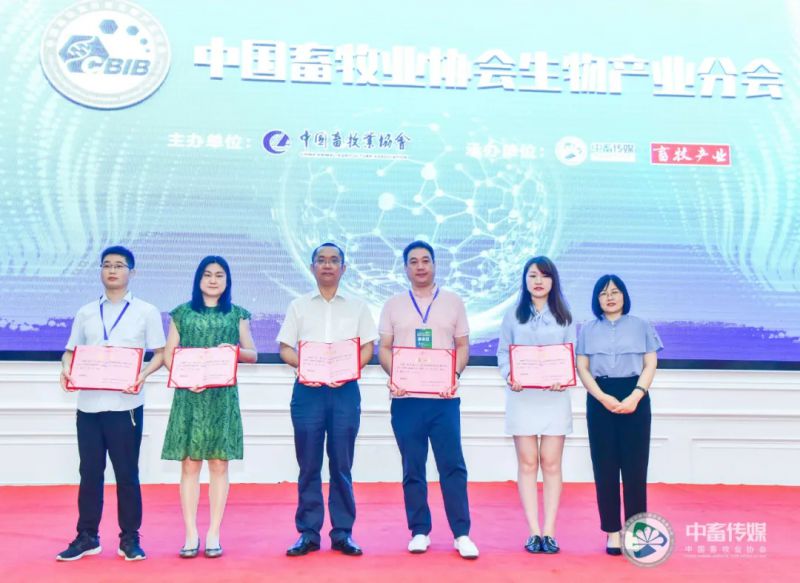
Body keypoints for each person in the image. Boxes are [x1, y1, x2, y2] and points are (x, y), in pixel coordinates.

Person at [57, 246, 166, 562]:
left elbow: (160, 354)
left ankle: (129, 538)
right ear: (101, 272)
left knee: (127, 474)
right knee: (89, 473)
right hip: (89, 406)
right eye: (107, 265)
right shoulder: (86, 312)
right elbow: (71, 352)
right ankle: (87, 537)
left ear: (133, 272)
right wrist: (65, 368)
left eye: (119, 265)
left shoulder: (146, 311)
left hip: (125, 405)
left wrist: (143, 375)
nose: (113, 270)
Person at [378, 240, 479, 560]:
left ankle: (461, 533)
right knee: (413, 466)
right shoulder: (393, 305)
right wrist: (397, 377)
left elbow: (463, 346)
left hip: (443, 398)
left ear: (435, 265)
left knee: (452, 465)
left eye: (425, 260)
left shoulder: (453, 302)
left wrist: (454, 375)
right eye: (413, 261)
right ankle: (419, 530)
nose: (420, 266)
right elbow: (384, 348)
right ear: (405, 268)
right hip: (406, 399)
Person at [277, 242, 377, 557]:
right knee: (308, 464)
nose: (328, 265)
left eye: (334, 260)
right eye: (321, 260)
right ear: (312, 267)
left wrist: (348, 370)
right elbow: (285, 348)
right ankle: (308, 533)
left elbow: (368, 348)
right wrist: (306, 367)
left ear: (343, 268)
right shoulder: (298, 306)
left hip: (345, 391)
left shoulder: (358, 307)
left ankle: (343, 533)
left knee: (342, 464)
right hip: (308, 391)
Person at [161, 256, 257, 559]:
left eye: (219, 275)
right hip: (189, 395)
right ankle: (191, 533)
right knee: (189, 464)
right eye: (207, 274)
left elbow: (253, 354)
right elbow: (168, 355)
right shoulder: (182, 313)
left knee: (219, 463)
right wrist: (185, 378)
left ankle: (214, 532)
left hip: (222, 397)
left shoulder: (237, 314)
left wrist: (235, 351)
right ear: (198, 279)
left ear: (227, 281)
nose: (213, 280)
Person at [575, 274, 662, 555]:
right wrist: (602, 397)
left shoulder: (641, 325)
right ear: (596, 299)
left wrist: (636, 395)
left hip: (635, 395)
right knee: (605, 468)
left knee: (635, 469)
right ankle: (612, 532)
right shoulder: (587, 329)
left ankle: (637, 533)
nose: (609, 297)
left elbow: (650, 363)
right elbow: (582, 368)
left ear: (624, 295)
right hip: (600, 397)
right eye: (603, 293)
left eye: (614, 292)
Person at [496, 256, 575, 554]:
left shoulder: (565, 315)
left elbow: (571, 355)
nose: (538, 281)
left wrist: (563, 377)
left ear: (553, 280)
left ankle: (550, 532)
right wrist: (510, 375)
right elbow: (503, 354)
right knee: (528, 464)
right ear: (525, 281)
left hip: (554, 398)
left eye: (544, 275)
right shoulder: (512, 315)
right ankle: (533, 531)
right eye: (532, 275)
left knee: (551, 464)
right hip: (522, 398)